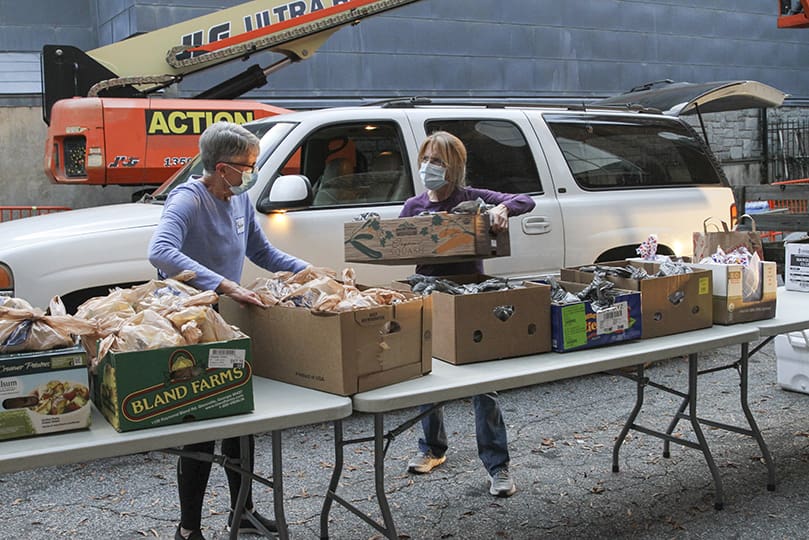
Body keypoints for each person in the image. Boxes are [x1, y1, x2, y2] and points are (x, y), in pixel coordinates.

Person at [148, 121, 310, 540]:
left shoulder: (240, 199)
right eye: (248, 165)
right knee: (201, 424)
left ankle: (245, 513)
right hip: (193, 324)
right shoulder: (188, 200)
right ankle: (189, 528)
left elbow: (260, 250)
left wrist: (308, 272)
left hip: (228, 322)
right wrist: (224, 284)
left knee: (238, 415)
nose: (252, 172)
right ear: (222, 168)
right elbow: (161, 251)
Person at [400, 131, 536, 497]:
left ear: (455, 167)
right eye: (427, 159)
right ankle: (431, 448)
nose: (430, 167)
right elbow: (395, 243)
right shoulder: (413, 207)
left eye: (439, 161)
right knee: (427, 375)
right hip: (426, 294)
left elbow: (525, 200)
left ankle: (498, 466)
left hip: (468, 297)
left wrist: (502, 209)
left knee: (482, 385)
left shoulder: (471, 199)